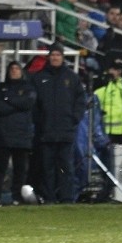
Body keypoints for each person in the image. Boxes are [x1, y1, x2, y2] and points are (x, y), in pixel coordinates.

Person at [31, 42, 86, 203]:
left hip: (65, 131)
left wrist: (73, 119)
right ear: (49, 57)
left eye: (58, 55)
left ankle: (67, 198)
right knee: (47, 168)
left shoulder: (71, 78)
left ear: (62, 57)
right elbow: (33, 105)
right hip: (46, 131)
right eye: (53, 55)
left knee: (66, 168)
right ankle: (49, 198)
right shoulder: (39, 78)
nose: (55, 58)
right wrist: (39, 121)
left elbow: (80, 101)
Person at [0, 61, 37, 206]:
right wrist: (17, 104)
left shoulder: (28, 88)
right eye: (12, 68)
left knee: (20, 170)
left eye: (17, 68)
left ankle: (17, 197)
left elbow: (27, 104)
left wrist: (8, 99)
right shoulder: (0, 87)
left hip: (22, 135)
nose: (14, 71)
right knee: (0, 169)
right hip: (3, 135)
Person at [95, 62, 122, 144]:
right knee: (106, 155)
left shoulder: (121, 86)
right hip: (105, 130)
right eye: (113, 69)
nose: (116, 72)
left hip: (120, 130)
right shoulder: (102, 84)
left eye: (117, 70)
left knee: (119, 155)